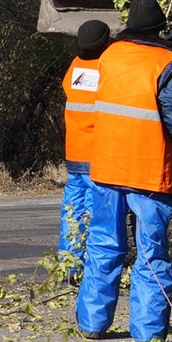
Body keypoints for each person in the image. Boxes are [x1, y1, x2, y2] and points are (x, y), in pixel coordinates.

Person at [76, 0, 172, 342]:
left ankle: (92, 323)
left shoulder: (109, 56)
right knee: (151, 251)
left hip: (105, 166)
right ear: (160, 27)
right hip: (149, 171)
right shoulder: (167, 62)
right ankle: (147, 334)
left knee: (103, 244)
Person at [57, 19, 111, 280]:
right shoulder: (106, 68)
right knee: (93, 212)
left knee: (72, 211)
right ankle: (90, 270)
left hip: (74, 152)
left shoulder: (75, 67)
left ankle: (68, 266)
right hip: (96, 153)